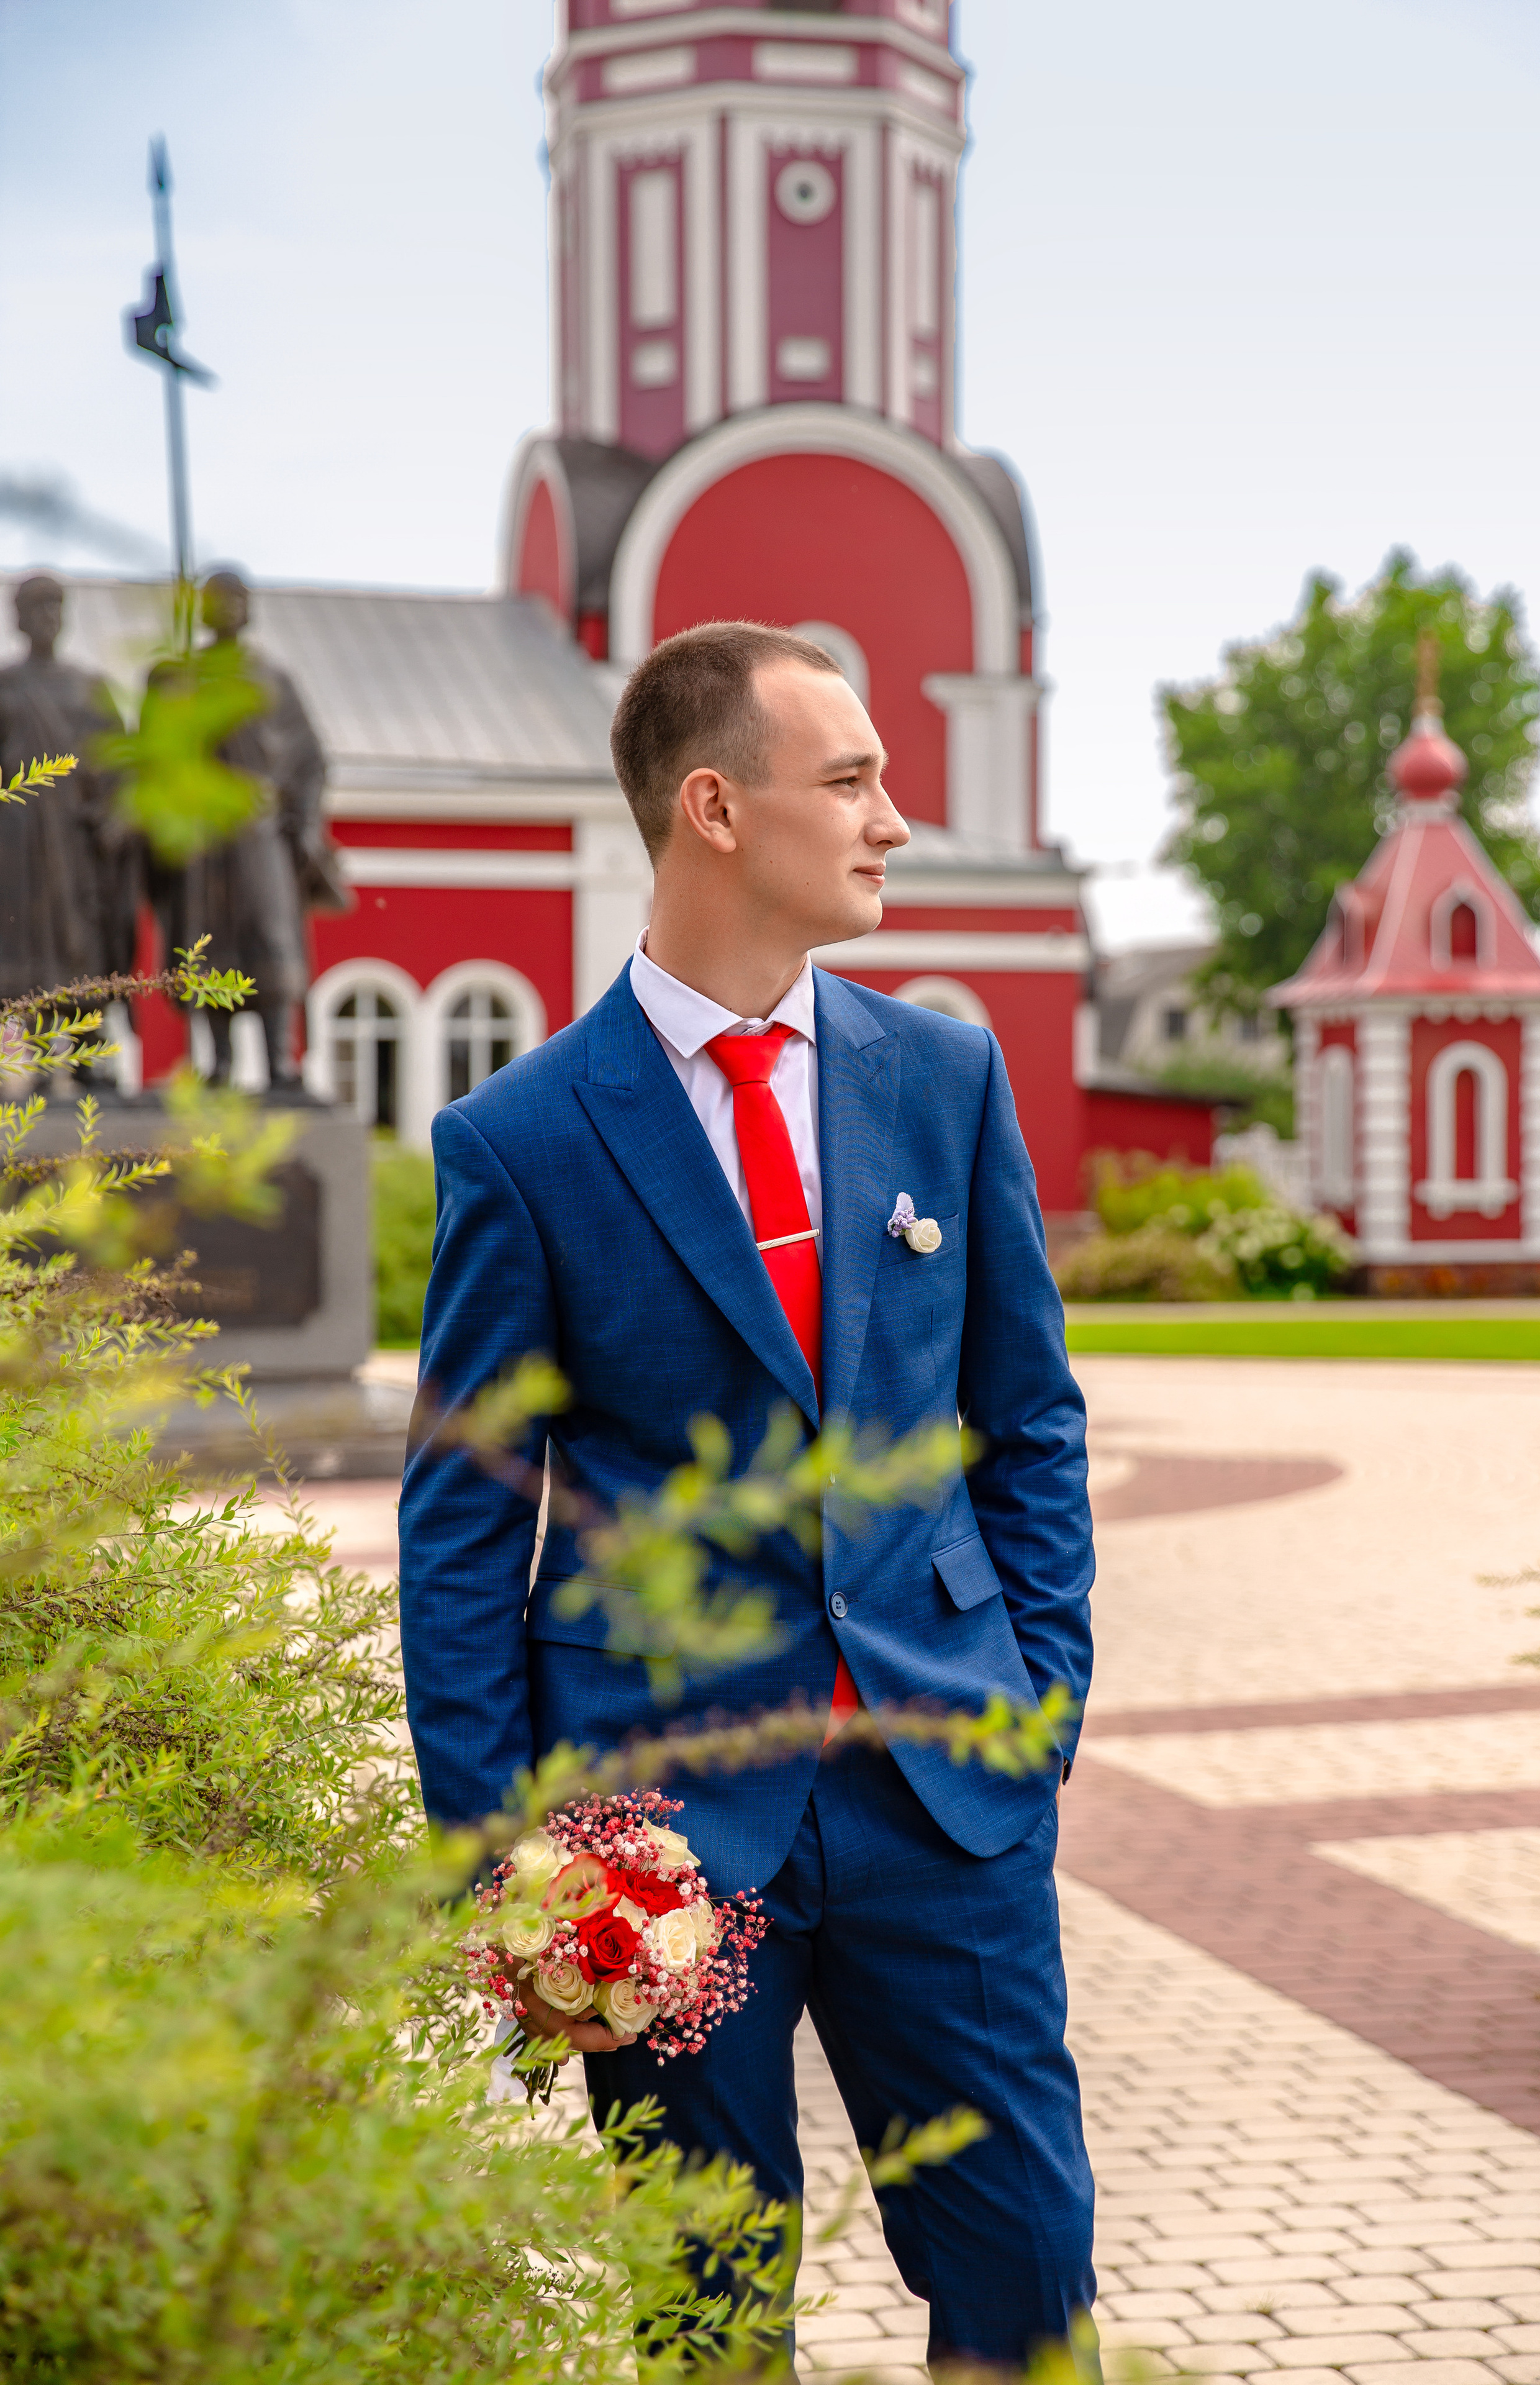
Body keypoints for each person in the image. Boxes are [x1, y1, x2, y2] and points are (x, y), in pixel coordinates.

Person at [399, 622, 1098, 2373]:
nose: (893, 820)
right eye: (850, 779)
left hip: (948, 1792)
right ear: (714, 807)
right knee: (707, 2314)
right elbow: (465, 1522)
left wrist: (1040, 1711)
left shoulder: (943, 1079)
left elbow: (1027, 1421)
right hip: (659, 1836)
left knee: (1029, 2282)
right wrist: (509, 1872)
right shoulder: (522, 1139)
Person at [147, 570, 347, 1088]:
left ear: (248, 610)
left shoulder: (272, 680)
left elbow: (309, 759)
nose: (227, 608)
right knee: (208, 939)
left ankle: (279, 1061)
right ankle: (220, 1063)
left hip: (260, 832)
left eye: (236, 599)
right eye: (216, 600)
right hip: (205, 835)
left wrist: (303, 823)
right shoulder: (182, 678)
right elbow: (157, 752)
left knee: (270, 935)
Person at [0, 573, 132, 1001]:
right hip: (15, 839)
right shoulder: (5, 685)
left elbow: (120, 765)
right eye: (36, 607)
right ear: (18, 619)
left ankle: (86, 1022)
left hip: (77, 836)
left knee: (81, 929)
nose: (47, 616)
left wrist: (112, 816)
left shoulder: (90, 688)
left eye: (55, 606)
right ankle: (22, 1025)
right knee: (18, 932)